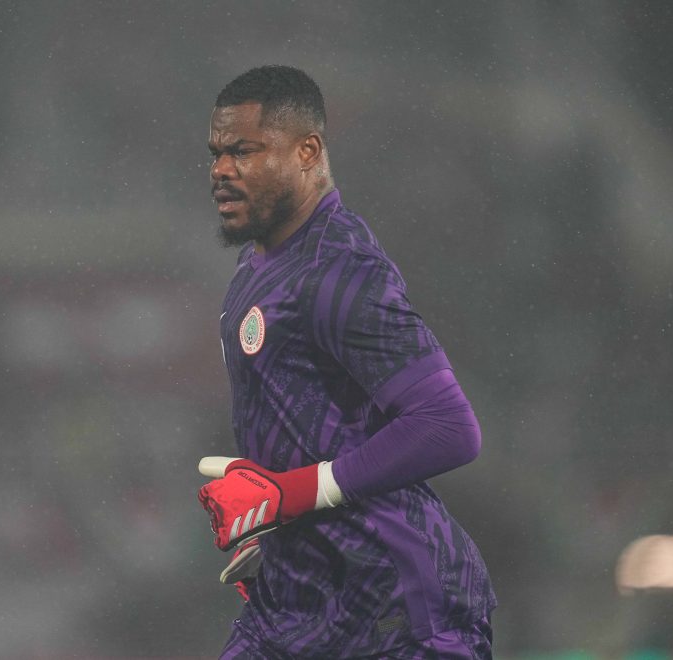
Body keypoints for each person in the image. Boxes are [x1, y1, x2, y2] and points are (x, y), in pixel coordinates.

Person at [197, 65, 496, 659]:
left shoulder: (339, 269)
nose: (220, 171)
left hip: (397, 613)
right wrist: (286, 537)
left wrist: (290, 496)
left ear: (307, 151)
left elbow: (448, 428)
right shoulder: (259, 266)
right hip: (299, 606)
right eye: (216, 154)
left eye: (243, 152)